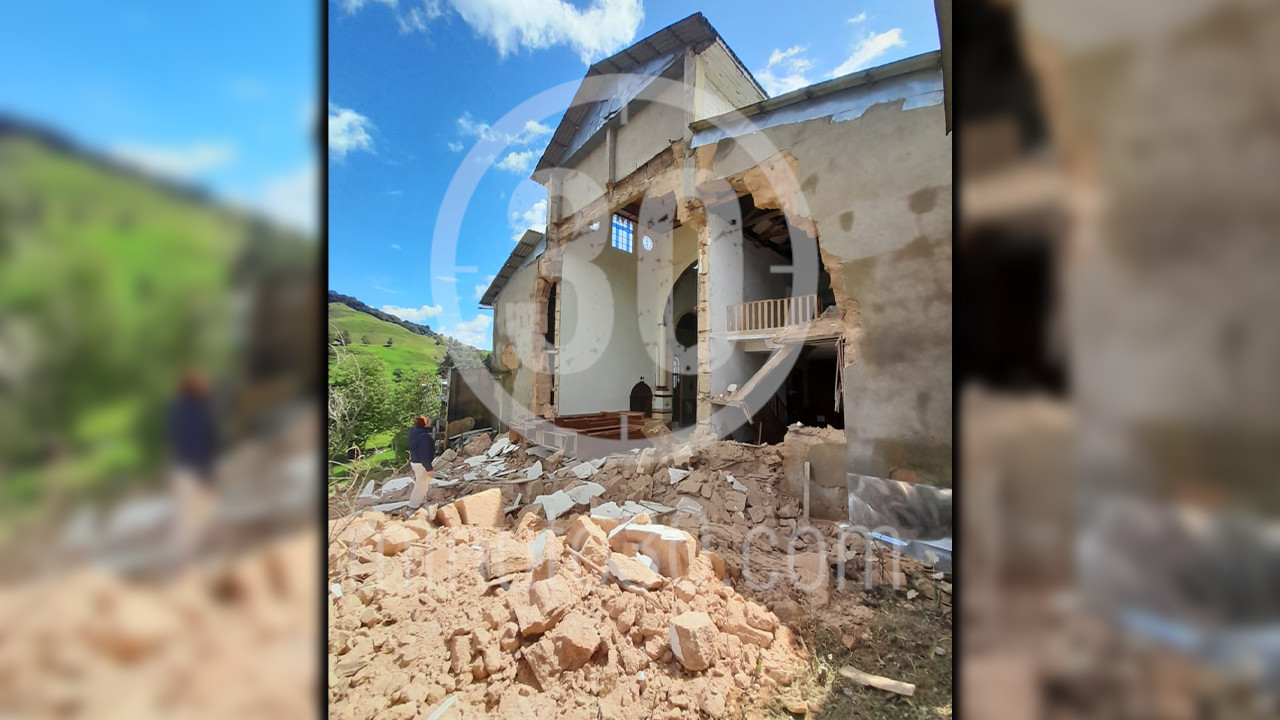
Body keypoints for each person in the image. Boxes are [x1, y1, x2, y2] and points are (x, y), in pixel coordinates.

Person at [168, 371, 217, 559]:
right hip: (194, 471)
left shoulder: (175, 409)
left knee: (186, 517)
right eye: (204, 386)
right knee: (195, 517)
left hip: (181, 469)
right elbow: (200, 444)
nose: (208, 389)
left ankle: (182, 557)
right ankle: (184, 561)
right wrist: (207, 475)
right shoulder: (199, 412)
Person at [408, 415, 435, 508]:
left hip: (415, 461)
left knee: (424, 482)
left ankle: (421, 500)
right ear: (425, 423)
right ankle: (413, 505)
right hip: (422, 464)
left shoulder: (414, 432)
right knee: (421, 484)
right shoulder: (424, 437)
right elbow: (424, 453)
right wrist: (429, 468)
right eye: (428, 420)